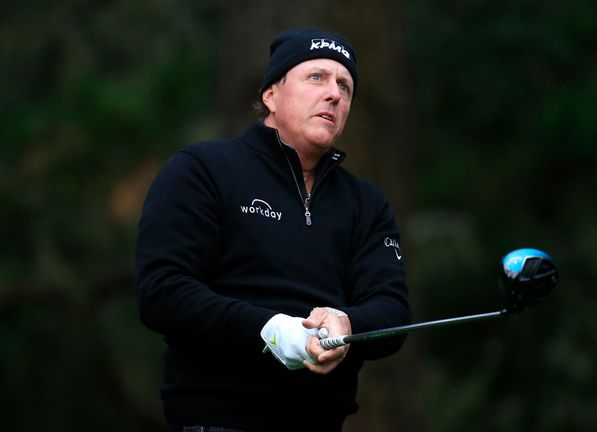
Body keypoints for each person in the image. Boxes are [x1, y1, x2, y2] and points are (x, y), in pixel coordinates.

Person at [135, 28, 411, 431]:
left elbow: (392, 311)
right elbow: (163, 290)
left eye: (345, 86)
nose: (335, 94)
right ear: (271, 95)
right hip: (216, 420)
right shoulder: (203, 170)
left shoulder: (366, 204)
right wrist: (269, 330)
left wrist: (348, 325)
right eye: (316, 77)